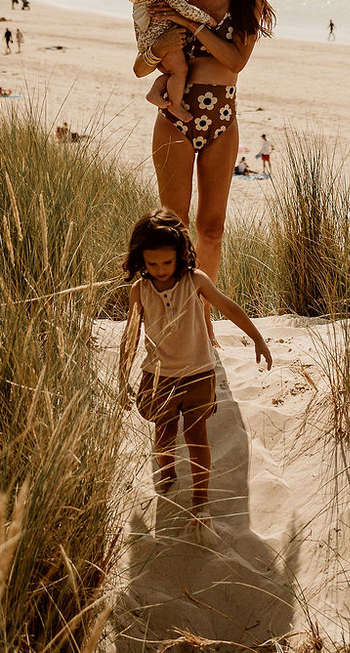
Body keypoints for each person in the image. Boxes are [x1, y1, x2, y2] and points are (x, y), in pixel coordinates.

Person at [144, 0, 274, 294]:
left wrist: (194, 25)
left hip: (222, 118)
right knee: (173, 224)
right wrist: (158, 46)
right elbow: (140, 65)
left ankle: (202, 317)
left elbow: (236, 61)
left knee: (212, 228)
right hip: (175, 117)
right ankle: (173, 309)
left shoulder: (248, 0)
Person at [116, 211, 271, 529]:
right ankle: (167, 470)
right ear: (140, 259)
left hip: (199, 372)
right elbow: (129, 336)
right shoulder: (139, 291)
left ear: (180, 256)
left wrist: (256, 337)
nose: (159, 270)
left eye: (166, 263)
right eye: (152, 263)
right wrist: (122, 377)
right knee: (164, 431)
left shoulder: (195, 280)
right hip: (159, 376)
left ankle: (201, 501)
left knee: (197, 436)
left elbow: (228, 306)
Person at [125, 0, 215, 122]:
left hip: (149, 42)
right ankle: (175, 104)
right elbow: (186, 10)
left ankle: (155, 92)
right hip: (164, 40)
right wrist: (207, 18)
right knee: (180, 70)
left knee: (169, 73)